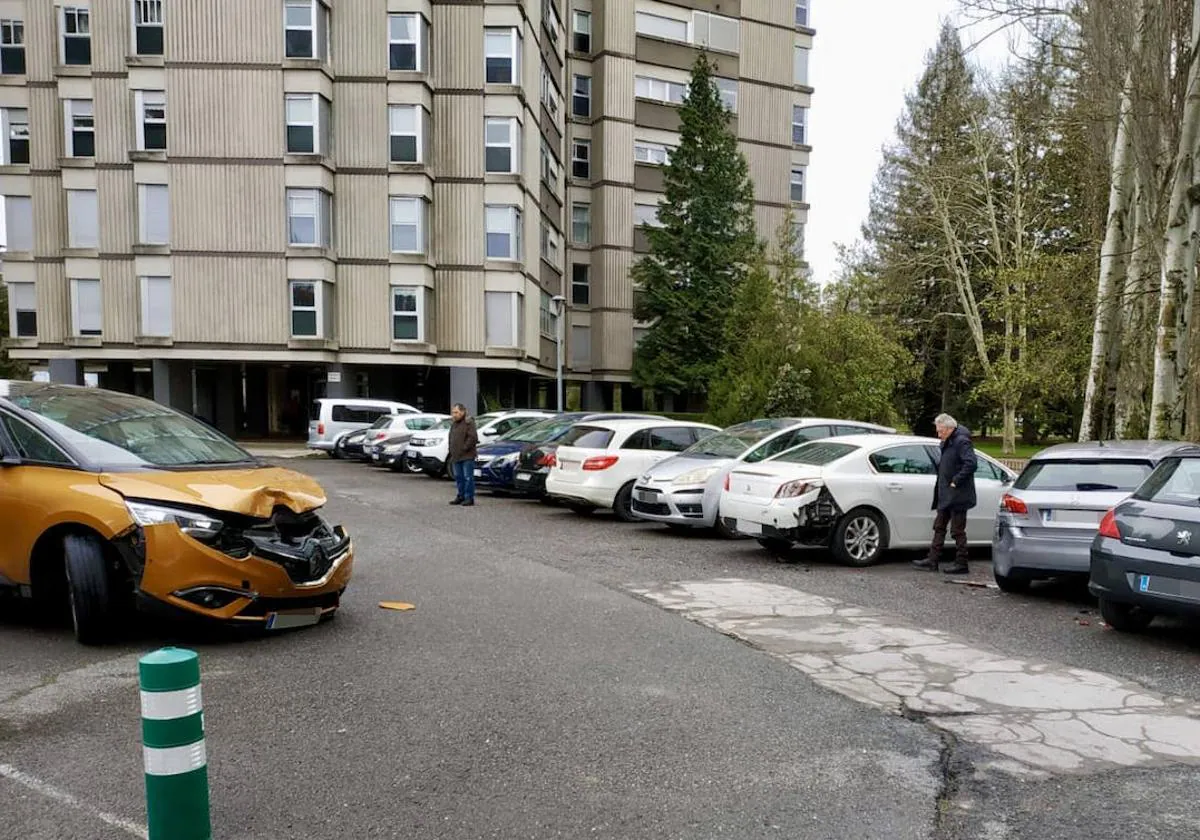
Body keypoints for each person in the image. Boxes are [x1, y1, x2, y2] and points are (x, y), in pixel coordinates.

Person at [913, 413, 977, 575]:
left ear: (950, 428)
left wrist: (956, 480)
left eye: (941, 431)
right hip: (947, 491)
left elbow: (971, 463)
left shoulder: (961, 441)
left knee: (957, 530)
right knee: (939, 526)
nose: (938, 434)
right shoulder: (948, 441)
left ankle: (962, 562)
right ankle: (932, 560)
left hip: (958, 493)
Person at [447, 403, 479, 507]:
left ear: (463, 412)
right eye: (453, 412)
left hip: (467, 456)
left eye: (456, 412)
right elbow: (451, 437)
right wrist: (451, 449)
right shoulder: (454, 424)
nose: (454, 415)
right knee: (458, 477)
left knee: (468, 477)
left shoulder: (469, 422)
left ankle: (469, 498)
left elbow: (472, 438)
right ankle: (460, 496)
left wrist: (464, 448)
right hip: (456, 455)